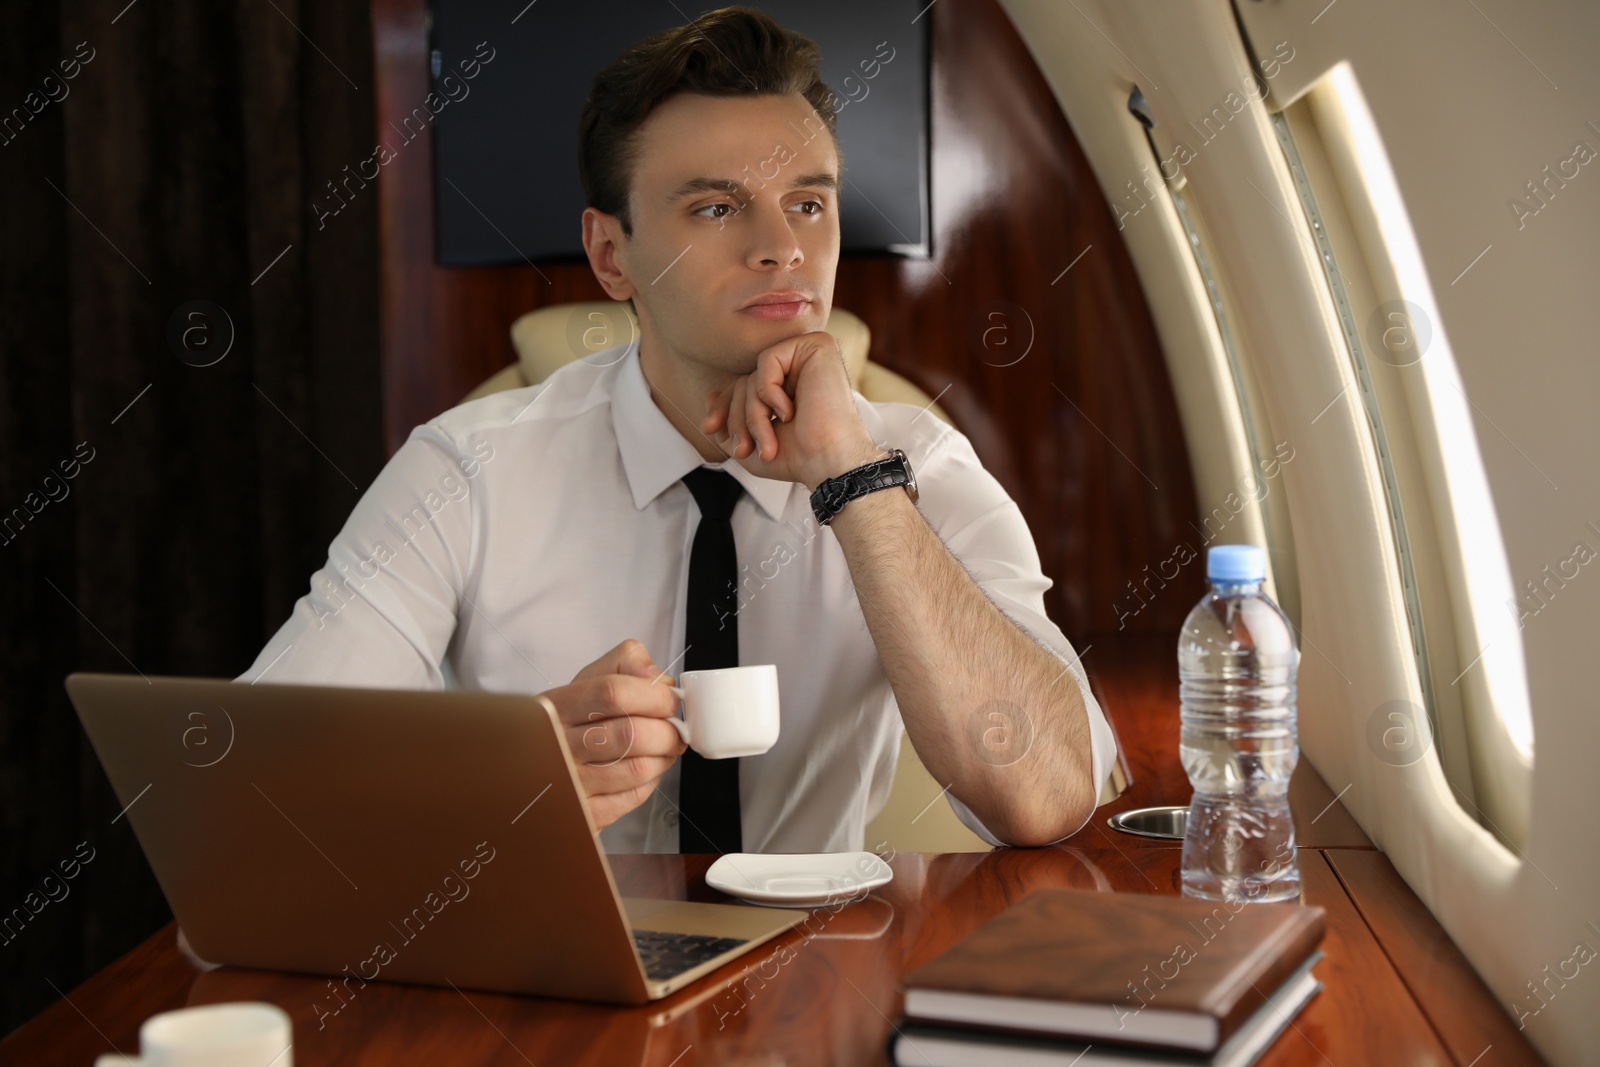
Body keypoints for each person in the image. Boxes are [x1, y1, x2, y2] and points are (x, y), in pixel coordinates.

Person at [238, 6, 1116, 853]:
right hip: (548, 981)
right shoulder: (466, 471)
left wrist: (854, 479)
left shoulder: (917, 464)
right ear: (610, 255)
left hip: (819, 980)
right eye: (717, 208)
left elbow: (1051, 793)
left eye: (809, 204)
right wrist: (506, 777)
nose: (783, 248)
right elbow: (254, 792)